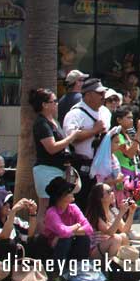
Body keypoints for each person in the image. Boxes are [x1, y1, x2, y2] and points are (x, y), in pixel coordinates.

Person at [28, 88, 80, 234]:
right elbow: (51, 147)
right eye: (54, 101)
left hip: (59, 168)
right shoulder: (41, 123)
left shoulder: (53, 121)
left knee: (58, 205)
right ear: (44, 104)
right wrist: (72, 137)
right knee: (45, 206)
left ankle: (54, 235)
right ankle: (41, 239)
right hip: (46, 169)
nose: (57, 104)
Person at [62, 76, 111, 206]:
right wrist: (94, 131)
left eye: (104, 93)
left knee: (100, 206)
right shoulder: (75, 114)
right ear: (88, 95)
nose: (103, 96)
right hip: (82, 166)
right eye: (99, 93)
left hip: (102, 168)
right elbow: (71, 138)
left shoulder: (105, 112)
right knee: (82, 203)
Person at [42, 176, 92, 264]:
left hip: (68, 244)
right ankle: (56, 271)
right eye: (68, 191)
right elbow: (63, 231)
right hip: (52, 251)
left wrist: (63, 234)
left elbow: (89, 229)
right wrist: (77, 226)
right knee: (65, 239)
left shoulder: (73, 207)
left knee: (84, 238)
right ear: (60, 196)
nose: (72, 193)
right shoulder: (52, 212)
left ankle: (79, 266)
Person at [84, 182, 135, 260]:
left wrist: (131, 213)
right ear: (100, 197)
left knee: (123, 236)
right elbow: (109, 232)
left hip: (107, 246)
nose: (112, 193)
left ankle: (127, 262)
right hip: (94, 251)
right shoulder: (95, 214)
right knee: (116, 238)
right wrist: (121, 213)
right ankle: (109, 268)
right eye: (109, 191)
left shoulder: (113, 210)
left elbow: (125, 230)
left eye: (112, 190)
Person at [110, 107, 140, 207]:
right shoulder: (118, 136)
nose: (132, 120)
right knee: (125, 207)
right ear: (119, 120)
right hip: (124, 174)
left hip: (134, 172)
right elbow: (129, 153)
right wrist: (139, 133)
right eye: (128, 118)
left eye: (132, 118)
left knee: (133, 208)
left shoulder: (129, 133)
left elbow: (138, 152)